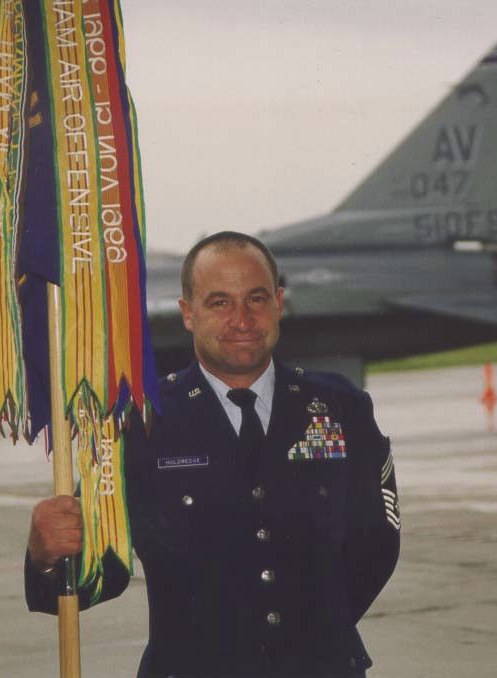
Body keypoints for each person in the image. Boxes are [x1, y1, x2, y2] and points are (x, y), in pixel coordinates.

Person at [25, 231, 400, 677]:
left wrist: (311, 638)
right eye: (219, 302)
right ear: (188, 313)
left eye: (256, 299)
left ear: (279, 303)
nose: (242, 319)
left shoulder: (342, 409)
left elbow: (376, 544)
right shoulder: (136, 427)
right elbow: (99, 572)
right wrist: (45, 558)